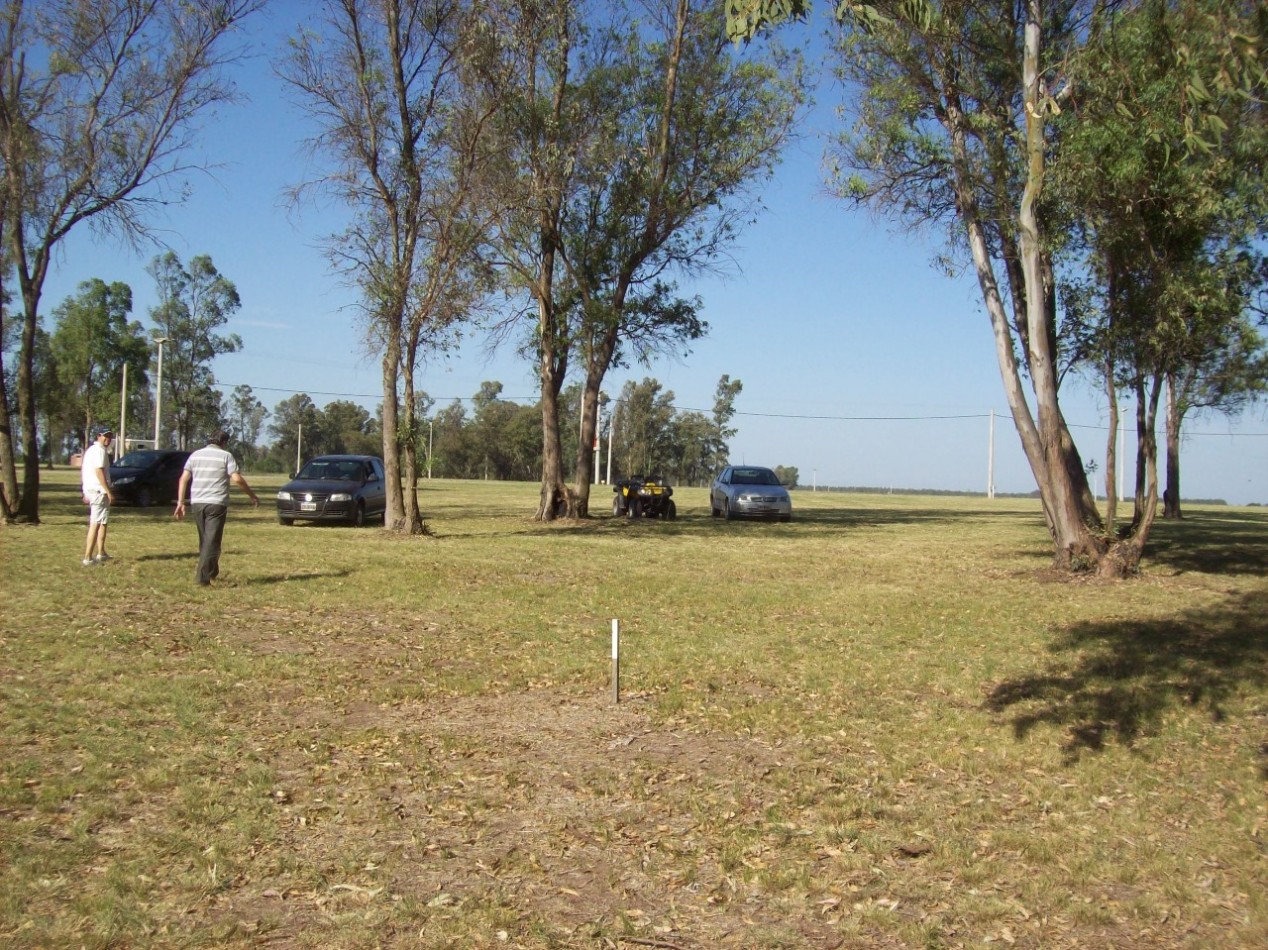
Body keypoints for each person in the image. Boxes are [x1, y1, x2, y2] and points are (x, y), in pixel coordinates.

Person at [174, 429, 259, 586]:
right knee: (212, 541)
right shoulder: (226, 456)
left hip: (197, 502)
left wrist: (180, 502)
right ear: (224, 442)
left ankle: (211, 571)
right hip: (216, 502)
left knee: (205, 540)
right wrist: (252, 495)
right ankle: (202, 578)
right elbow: (237, 479)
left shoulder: (195, 455)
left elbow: (183, 479)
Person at [80, 425, 115, 566]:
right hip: (99, 491)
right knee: (95, 523)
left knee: (103, 521)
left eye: (110, 436)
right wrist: (108, 491)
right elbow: (99, 471)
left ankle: (101, 552)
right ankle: (88, 557)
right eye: (105, 435)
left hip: (93, 490)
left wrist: (85, 491)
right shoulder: (99, 450)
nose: (108, 438)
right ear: (98, 436)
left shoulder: (91, 451)